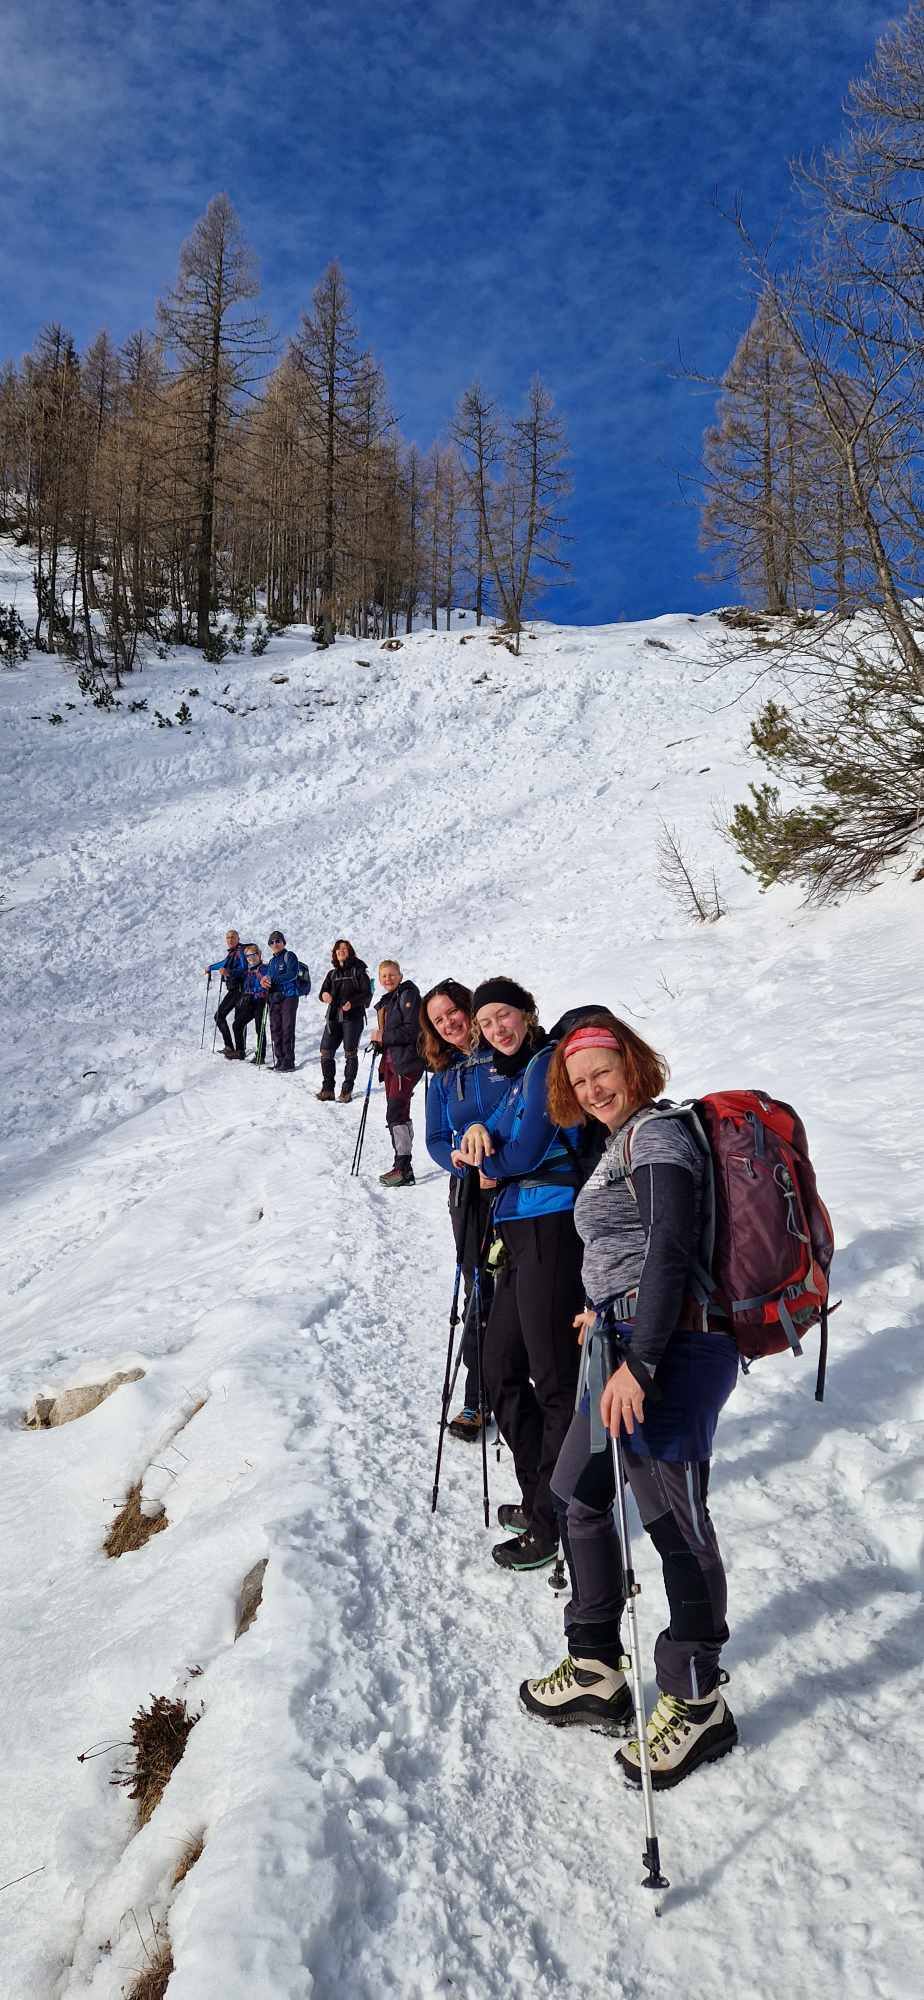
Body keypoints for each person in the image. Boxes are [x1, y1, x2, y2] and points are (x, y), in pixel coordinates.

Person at [518, 1009, 739, 1790]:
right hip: (618, 1346)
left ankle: (698, 1700)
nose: (592, 1088)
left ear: (632, 1064)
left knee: (675, 1524)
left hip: (669, 1354)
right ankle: (595, 1666)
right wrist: (603, 1311)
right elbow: (631, 1249)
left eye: (601, 1071)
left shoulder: (660, 1135)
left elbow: (671, 1249)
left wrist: (640, 1361)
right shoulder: (619, 1143)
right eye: (578, 1080)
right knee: (577, 1495)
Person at [455, 978, 596, 1572]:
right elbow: (484, 1134)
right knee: (498, 1366)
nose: (496, 1029)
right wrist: (476, 1137)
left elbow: (530, 1148)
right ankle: (542, 1492)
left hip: (552, 1227)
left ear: (528, 1013)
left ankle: (552, 1520)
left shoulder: (545, 1065)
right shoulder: (517, 1076)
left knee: (554, 1378)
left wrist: (491, 1159)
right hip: (518, 1231)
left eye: (503, 1016)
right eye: (485, 1022)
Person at [422, 980, 509, 1441]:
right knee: (481, 1288)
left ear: (469, 1008)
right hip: (470, 1193)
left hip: (517, 1185)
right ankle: (478, 1396)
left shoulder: (505, 1054)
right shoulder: (442, 1075)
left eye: (452, 1012)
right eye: (438, 1020)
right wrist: (457, 1160)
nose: (448, 1023)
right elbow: (436, 1139)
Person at [371, 959, 424, 1187]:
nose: (388, 979)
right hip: (393, 1064)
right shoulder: (389, 1000)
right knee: (399, 1113)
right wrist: (380, 1043)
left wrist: (383, 1037)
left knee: (396, 1113)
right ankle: (403, 1166)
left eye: (392, 974)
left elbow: (412, 1030)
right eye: (384, 976)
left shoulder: (408, 994)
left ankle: (403, 1168)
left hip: (407, 1063)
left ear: (400, 976)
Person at [317, 940, 373, 1102]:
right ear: (335, 953)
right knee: (326, 1052)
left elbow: (367, 994)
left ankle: (346, 1090)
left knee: (350, 1053)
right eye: (338, 949)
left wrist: (352, 1003)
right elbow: (322, 992)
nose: (341, 951)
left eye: (344, 948)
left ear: (350, 952)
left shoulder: (359, 971)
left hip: (353, 1017)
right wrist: (324, 996)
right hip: (333, 1017)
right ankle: (328, 1089)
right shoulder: (332, 974)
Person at [260, 931, 310, 1072]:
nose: (275, 944)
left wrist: (272, 980)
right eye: (272, 942)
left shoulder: (290, 956)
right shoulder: (271, 962)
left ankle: (289, 1061)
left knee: (287, 1028)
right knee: (276, 1028)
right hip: (275, 998)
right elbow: (269, 978)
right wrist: (264, 982)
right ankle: (280, 1060)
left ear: (283, 942)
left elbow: (292, 974)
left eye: (278, 941)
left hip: (289, 996)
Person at [204, 929, 247, 1059]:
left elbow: (244, 968)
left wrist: (229, 972)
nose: (230, 940)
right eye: (228, 937)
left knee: (222, 1016)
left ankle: (235, 1049)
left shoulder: (240, 952)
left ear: (238, 939)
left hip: (239, 990)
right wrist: (211, 967)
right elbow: (224, 963)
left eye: (233, 937)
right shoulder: (232, 953)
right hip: (235, 990)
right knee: (235, 1020)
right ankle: (236, 1049)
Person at [233, 944, 269, 1063]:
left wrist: (253, 991)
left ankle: (261, 1056)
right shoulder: (248, 971)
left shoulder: (264, 969)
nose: (251, 958)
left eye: (253, 955)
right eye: (248, 956)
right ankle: (240, 1051)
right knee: (237, 1024)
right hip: (250, 1002)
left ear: (259, 954)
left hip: (260, 1001)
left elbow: (265, 985)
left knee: (259, 1028)